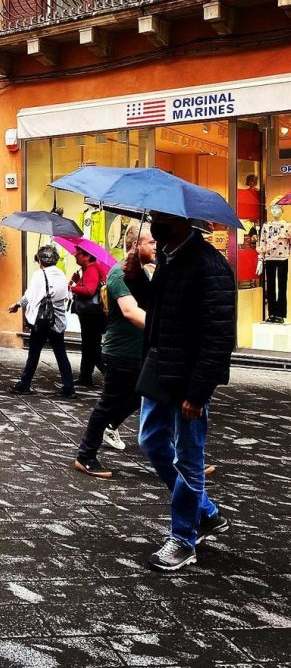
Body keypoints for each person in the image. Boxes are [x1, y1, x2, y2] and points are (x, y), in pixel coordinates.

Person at [138, 211, 236, 573]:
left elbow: (218, 337)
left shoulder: (209, 265)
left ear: (185, 220)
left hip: (189, 379)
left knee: (189, 458)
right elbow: (163, 314)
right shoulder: (168, 256)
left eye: (164, 217)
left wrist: (198, 392)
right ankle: (205, 511)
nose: (156, 222)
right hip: (160, 369)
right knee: (150, 441)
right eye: (155, 216)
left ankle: (183, 539)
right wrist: (137, 274)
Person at [75, 223, 156, 478]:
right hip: (121, 352)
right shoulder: (118, 274)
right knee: (107, 404)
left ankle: (181, 459)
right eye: (151, 243)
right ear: (136, 245)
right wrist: (164, 330)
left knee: (144, 395)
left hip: (139, 350)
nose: (155, 247)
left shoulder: (142, 273)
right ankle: (85, 455)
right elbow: (132, 312)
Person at [9, 244, 75, 397]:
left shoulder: (39, 275)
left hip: (42, 321)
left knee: (33, 354)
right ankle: (69, 387)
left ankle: (24, 384)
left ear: (40, 260)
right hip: (57, 321)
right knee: (61, 354)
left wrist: (18, 305)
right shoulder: (61, 275)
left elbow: (29, 296)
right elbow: (64, 296)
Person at [69, 246, 106, 387]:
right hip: (92, 313)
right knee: (89, 345)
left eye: (78, 254)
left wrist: (72, 287)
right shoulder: (91, 269)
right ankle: (85, 376)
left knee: (92, 347)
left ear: (87, 256)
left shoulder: (92, 269)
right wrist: (78, 280)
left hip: (91, 314)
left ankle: (110, 376)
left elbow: (89, 291)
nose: (75, 256)